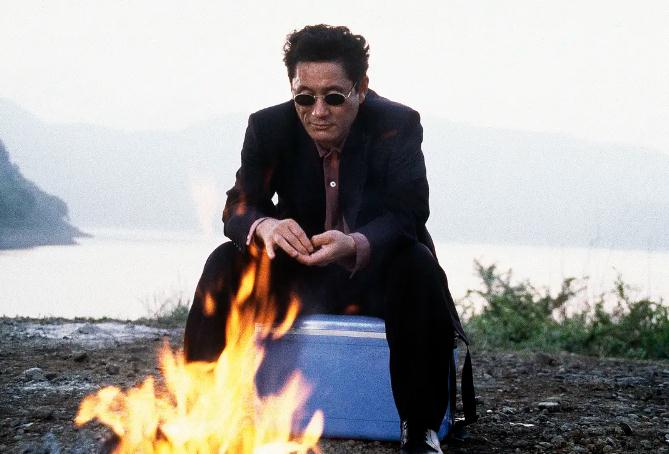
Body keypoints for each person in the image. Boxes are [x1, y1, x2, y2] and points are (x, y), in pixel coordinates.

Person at [184, 24, 474, 454]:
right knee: (224, 261)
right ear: (292, 90)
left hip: (375, 275)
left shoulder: (398, 124)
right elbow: (238, 206)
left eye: (334, 97)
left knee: (418, 263)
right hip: (299, 276)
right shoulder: (268, 127)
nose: (318, 111)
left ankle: (420, 429)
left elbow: (409, 212)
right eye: (305, 98)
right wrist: (264, 226)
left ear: (361, 89)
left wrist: (355, 243)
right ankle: (199, 413)